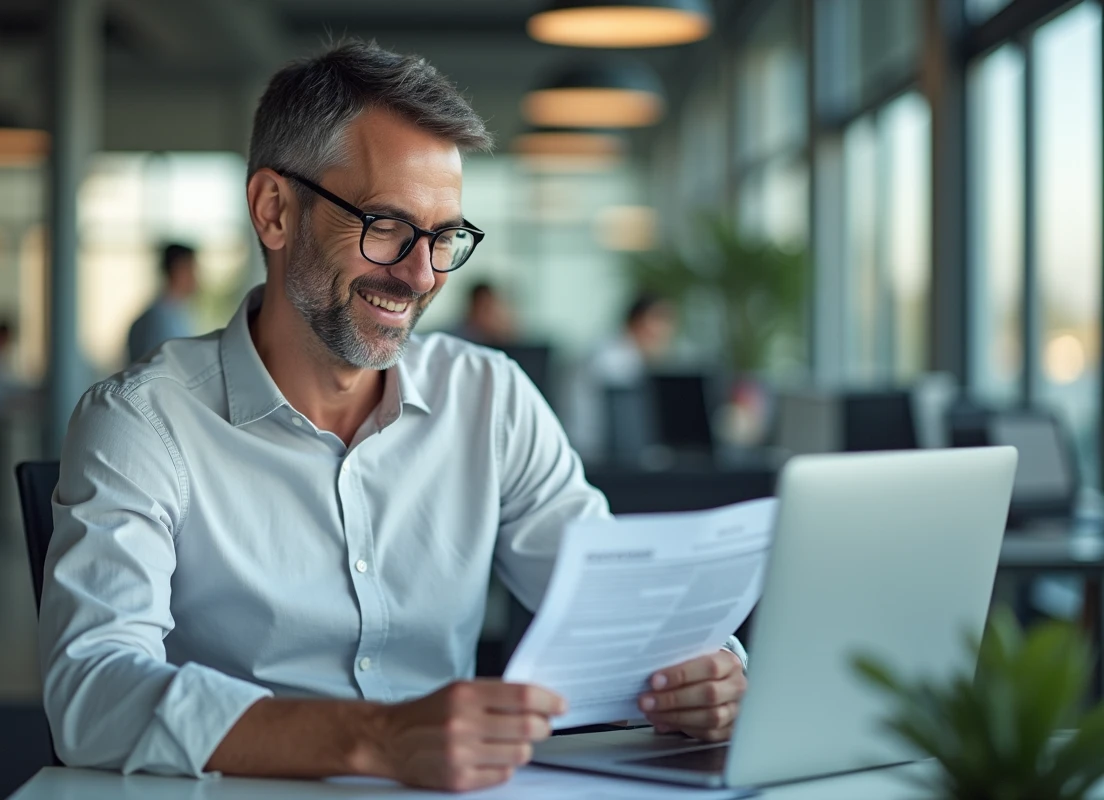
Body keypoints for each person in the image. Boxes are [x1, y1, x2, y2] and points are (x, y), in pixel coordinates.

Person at [39, 40, 746, 792]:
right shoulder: (143, 422)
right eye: (385, 225)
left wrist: (709, 671)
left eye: (445, 237)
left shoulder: (491, 399)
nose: (421, 274)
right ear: (275, 211)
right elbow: (92, 691)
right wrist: (376, 739)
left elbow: (615, 602)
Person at [565, 294, 678, 463]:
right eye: (660, 320)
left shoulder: (617, 351)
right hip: (595, 454)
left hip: (598, 451)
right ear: (637, 321)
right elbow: (625, 428)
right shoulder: (613, 358)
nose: (665, 331)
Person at [126, 243, 199, 362]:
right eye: (192, 270)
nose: (196, 278)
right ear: (179, 270)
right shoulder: (158, 320)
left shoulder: (177, 314)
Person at [451, 281, 516, 347]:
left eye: (490, 308)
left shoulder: (499, 337)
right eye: (484, 308)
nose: (489, 315)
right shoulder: (456, 337)